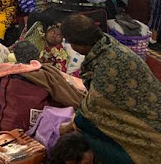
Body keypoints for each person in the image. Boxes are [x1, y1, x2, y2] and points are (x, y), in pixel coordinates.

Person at [61, 14, 161, 163]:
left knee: (84, 125)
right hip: (152, 113)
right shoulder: (108, 46)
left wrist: (67, 126)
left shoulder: (108, 65)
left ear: (78, 45)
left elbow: (91, 110)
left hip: (151, 135)